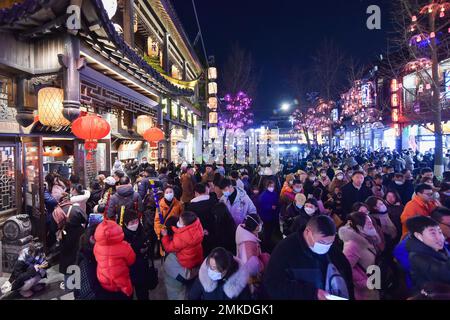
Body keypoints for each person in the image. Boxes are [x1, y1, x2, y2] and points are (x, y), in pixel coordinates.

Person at [262, 215, 354, 300]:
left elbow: (346, 277)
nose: (326, 247)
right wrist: (312, 293)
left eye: (330, 243)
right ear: (307, 232)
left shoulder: (334, 252)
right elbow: (273, 285)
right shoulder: (286, 249)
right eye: (322, 242)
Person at [338, 212, 382, 300]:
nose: (372, 226)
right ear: (359, 227)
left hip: (374, 281)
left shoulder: (368, 237)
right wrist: (364, 282)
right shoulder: (352, 245)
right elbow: (345, 268)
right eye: (369, 224)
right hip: (364, 292)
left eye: (371, 223)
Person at [161, 211, 204, 300]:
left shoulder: (181, 238)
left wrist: (165, 236)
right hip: (196, 260)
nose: (178, 223)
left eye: (180, 222)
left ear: (185, 226)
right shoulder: (197, 227)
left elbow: (168, 248)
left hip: (186, 264)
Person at [405, 216, 450, 293]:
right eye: (433, 233)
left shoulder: (434, 246)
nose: (440, 238)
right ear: (419, 236)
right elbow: (445, 275)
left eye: (439, 232)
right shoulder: (416, 257)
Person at [188, 247, 252, 300]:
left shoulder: (239, 279)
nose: (210, 270)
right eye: (210, 266)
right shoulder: (203, 277)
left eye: (214, 268)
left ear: (225, 270)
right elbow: (192, 297)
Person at [94, 219, 136, 299]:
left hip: (104, 283)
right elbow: (132, 260)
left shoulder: (97, 246)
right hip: (122, 286)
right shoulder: (124, 246)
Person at [58, 194, 88, 289]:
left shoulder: (58, 210)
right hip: (78, 234)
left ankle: (68, 283)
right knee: (77, 257)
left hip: (64, 236)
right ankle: (77, 281)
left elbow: (53, 225)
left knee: (66, 258)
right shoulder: (76, 209)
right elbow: (85, 219)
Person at [235, 214, 270, 294]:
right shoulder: (248, 244)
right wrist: (263, 262)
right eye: (259, 223)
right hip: (249, 277)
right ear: (257, 227)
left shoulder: (245, 231)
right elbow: (251, 266)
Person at [122, 209, 152, 300]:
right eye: (132, 223)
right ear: (126, 224)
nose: (135, 224)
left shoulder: (141, 230)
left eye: (136, 221)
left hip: (142, 268)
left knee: (143, 294)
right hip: (128, 271)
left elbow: (147, 243)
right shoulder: (122, 235)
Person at [185, 183, 216, 255]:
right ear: (205, 190)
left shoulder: (190, 207)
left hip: (198, 236)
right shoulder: (213, 201)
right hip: (213, 234)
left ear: (196, 192)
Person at [258, 180, 280, 251]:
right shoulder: (263, 195)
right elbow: (261, 206)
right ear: (267, 186)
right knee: (267, 231)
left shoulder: (275, 193)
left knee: (271, 231)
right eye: (270, 186)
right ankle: (265, 245)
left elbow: (277, 202)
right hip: (266, 217)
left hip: (273, 216)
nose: (272, 188)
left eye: (273, 186)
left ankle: (269, 241)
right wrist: (270, 207)